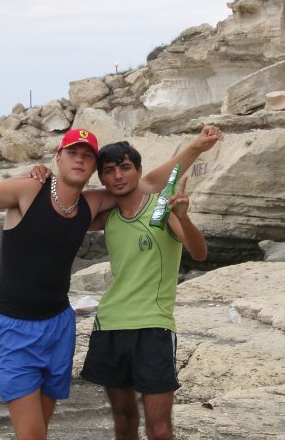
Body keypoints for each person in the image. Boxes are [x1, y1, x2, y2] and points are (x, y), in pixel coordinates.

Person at [0, 126, 221, 440]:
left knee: (41, 425)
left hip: (58, 327)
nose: (79, 159)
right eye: (73, 153)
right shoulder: (28, 191)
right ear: (58, 157)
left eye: (87, 156)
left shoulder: (91, 204)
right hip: (14, 327)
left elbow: (147, 183)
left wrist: (195, 148)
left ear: (93, 168)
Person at [80, 141, 213, 440]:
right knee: (123, 421)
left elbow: (200, 253)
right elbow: (66, 210)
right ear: (101, 178)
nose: (118, 176)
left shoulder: (162, 209)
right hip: (110, 325)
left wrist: (184, 217)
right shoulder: (107, 217)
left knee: (160, 428)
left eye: (125, 168)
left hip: (154, 326)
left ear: (139, 171)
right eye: (109, 171)